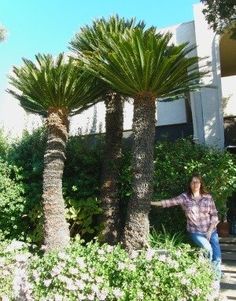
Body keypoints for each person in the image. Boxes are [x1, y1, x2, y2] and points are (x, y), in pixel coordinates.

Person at [151, 174, 222, 282]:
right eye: (193, 182)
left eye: (197, 182)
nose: (195, 184)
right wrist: (151, 202)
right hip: (195, 232)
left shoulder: (207, 197)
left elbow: (214, 215)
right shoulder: (185, 197)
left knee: (217, 256)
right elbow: (169, 202)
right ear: (190, 184)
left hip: (211, 231)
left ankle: (215, 280)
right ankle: (207, 274)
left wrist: (209, 231)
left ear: (201, 184)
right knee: (208, 249)